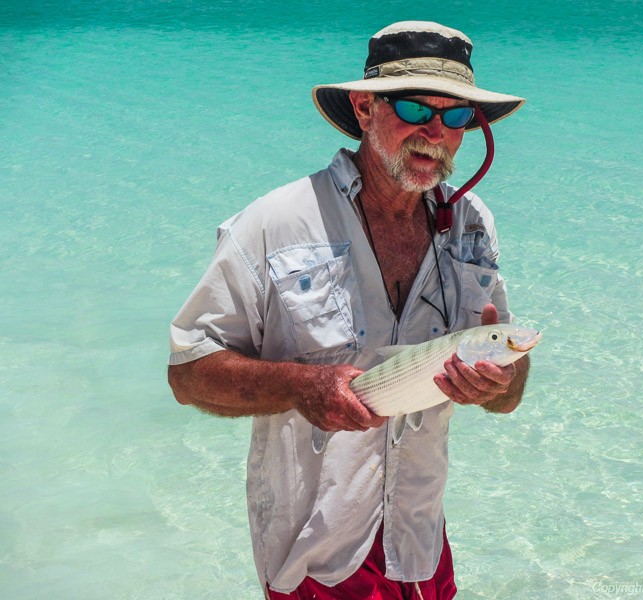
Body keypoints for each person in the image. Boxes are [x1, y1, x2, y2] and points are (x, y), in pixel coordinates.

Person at [168, 20, 529, 599]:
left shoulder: (471, 224)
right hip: (315, 557)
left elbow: (509, 382)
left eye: (457, 115)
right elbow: (189, 374)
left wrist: (499, 385)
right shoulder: (275, 222)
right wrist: (301, 387)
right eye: (415, 109)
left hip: (421, 545)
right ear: (364, 108)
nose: (436, 133)